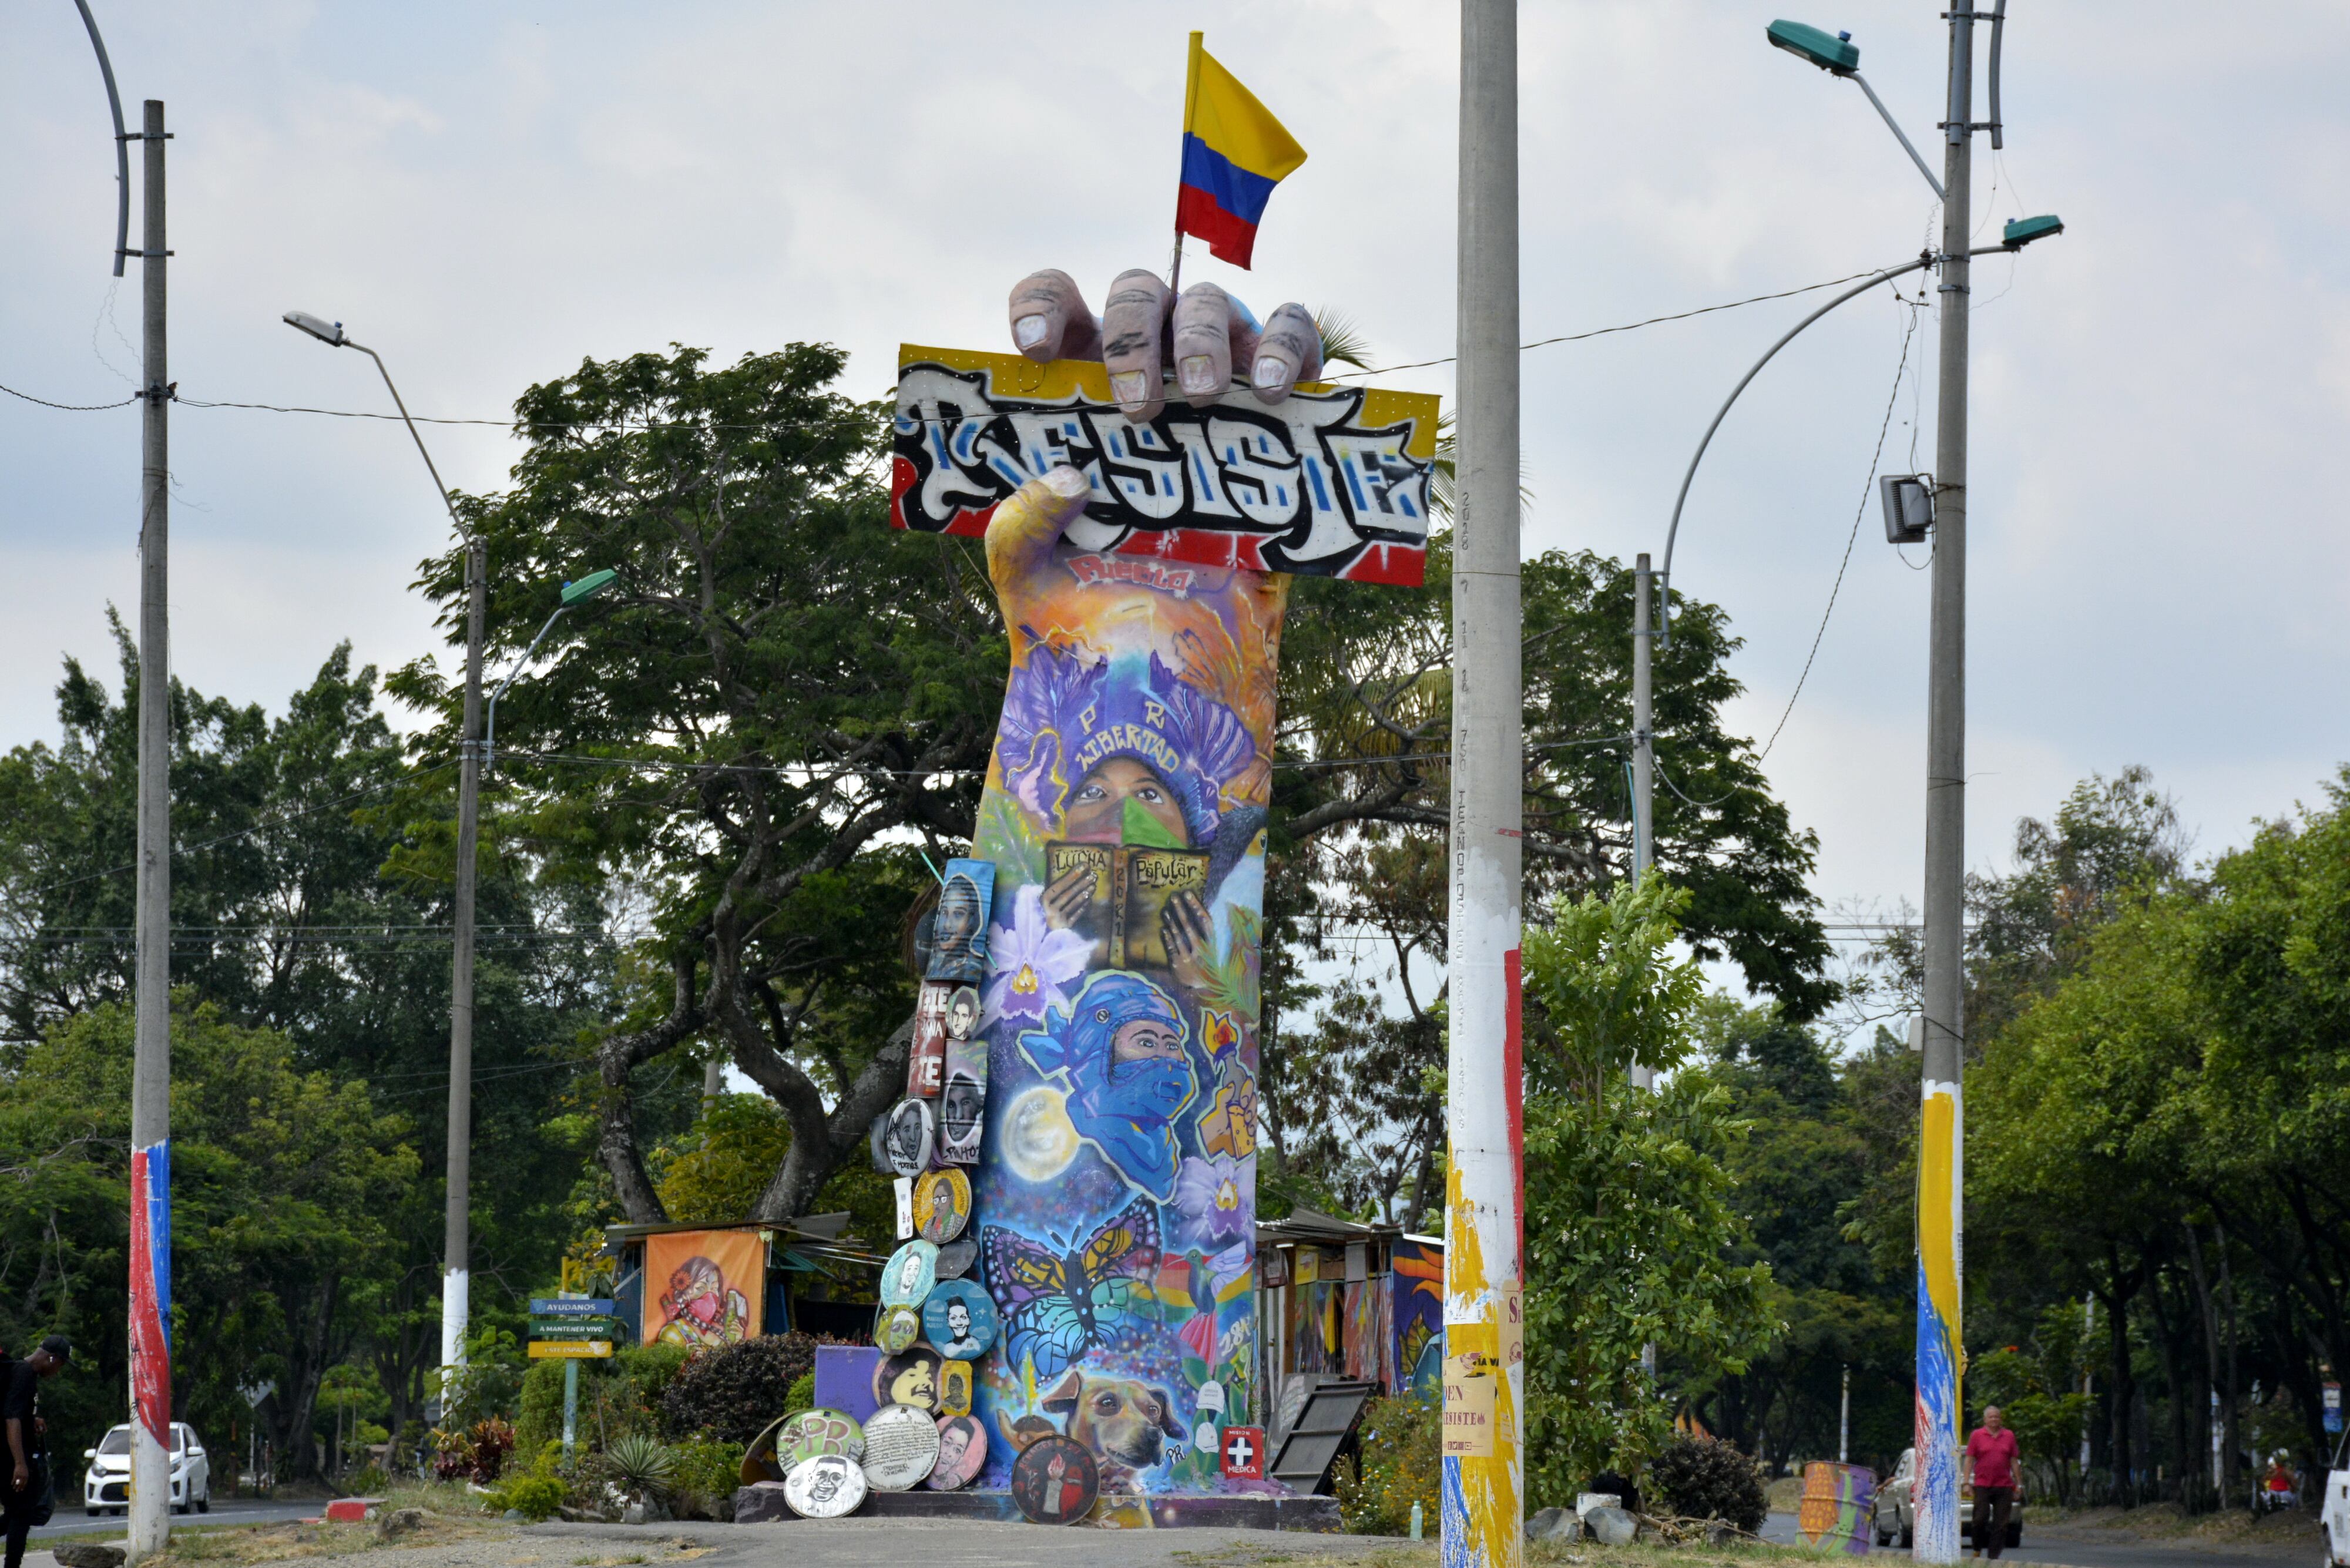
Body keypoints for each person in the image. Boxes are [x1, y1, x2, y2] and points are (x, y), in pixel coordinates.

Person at [2, 1337, 70, 1568]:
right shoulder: (23, 1374)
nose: (57, 1371)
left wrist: (32, 1419)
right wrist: (20, 1464)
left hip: (11, 1455)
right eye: (59, 1365)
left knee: (17, 1512)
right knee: (21, 1514)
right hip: (11, 1458)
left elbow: (17, 1413)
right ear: (51, 1358)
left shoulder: (22, 1373)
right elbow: (11, 1418)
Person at [1963, 1405, 2019, 1559]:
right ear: (1985, 1420)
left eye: (1997, 1417)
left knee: (2001, 1524)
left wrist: (2019, 1484)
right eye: (1991, 1417)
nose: (1994, 1419)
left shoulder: (2009, 1436)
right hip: (1982, 1484)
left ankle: (1993, 1557)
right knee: (1980, 1519)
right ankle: (1977, 1548)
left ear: (2000, 1419)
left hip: (2004, 1485)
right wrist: (1966, 1482)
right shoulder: (1977, 1435)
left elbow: (2014, 1461)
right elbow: (1969, 1460)